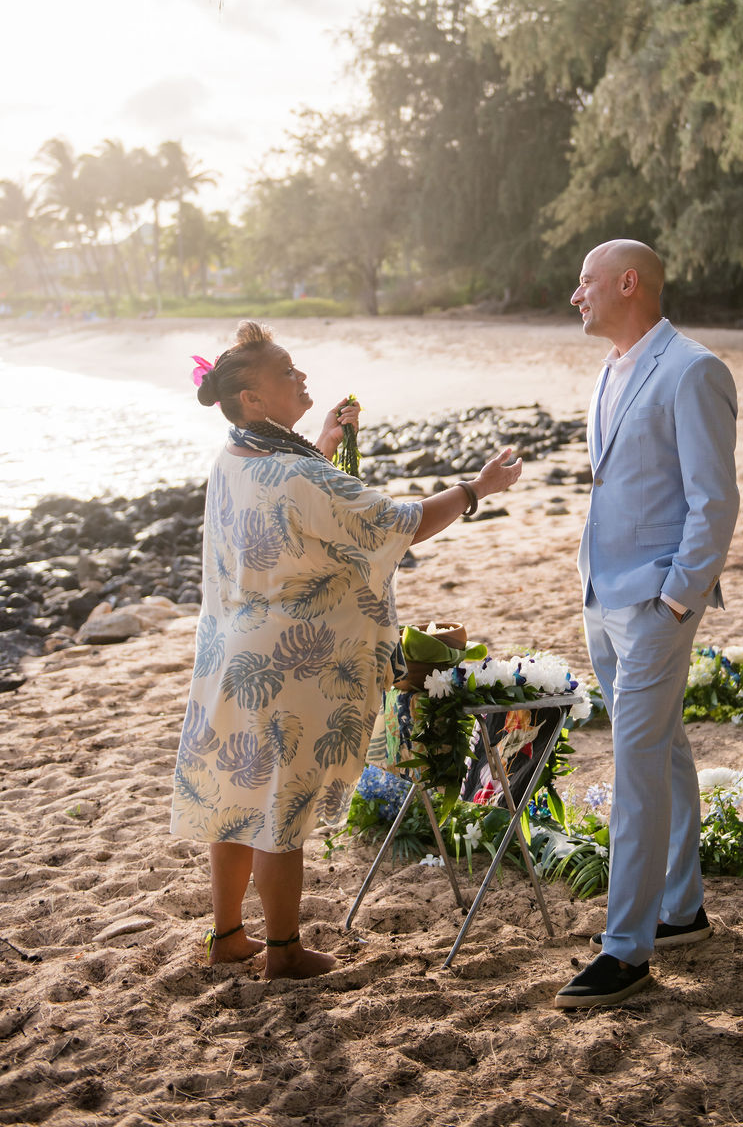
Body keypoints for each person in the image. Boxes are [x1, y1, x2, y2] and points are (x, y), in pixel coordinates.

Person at [170, 320, 521, 979]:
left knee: (237, 798)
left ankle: (227, 936)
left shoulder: (235, 455)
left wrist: (325, 443)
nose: (302, 376)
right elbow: (400, 523)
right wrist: (477, 489)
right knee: (279, 809)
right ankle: (284, 953)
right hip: (287, 666)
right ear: (252, 398)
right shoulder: (299, 474)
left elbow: (296, 505)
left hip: (230, 653)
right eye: (287, 371)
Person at [553, 241, 739, 1010]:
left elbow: (714, 500)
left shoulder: (693, 370)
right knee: (665, 751)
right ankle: (682, 909)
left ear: (628, 283)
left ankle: (626, 951)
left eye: (587, 282)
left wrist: (677, 599)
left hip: (656, 603)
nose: (576, 295)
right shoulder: (611, 368)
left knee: (635, 766)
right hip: (603, 595)